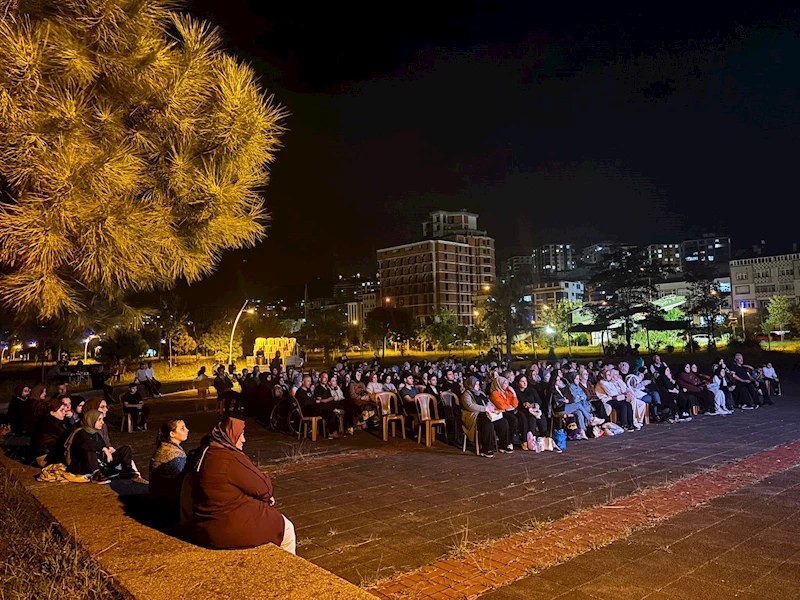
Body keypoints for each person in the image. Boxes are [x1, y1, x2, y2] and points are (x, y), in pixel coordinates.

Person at [185, 417, 296, 553]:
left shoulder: (205, 452)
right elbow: (263, 486)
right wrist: (267, 498)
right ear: (230, 436)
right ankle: (287, 569)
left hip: (205, 525)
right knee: (287, 528)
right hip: (227, 527)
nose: (244, 439)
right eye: (240, 435)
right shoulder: (230, 458)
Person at [65, 409, 144, 483]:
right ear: (91, 420)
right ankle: (96, 474)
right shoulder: (81, 433)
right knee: (89, 449)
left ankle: (127, 470)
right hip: (84, 465)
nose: (102, 422)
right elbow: (89, 444)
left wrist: (107, 451)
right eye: (99, 420)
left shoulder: (95, 433)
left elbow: (102, 445)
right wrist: (104, 449)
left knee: (125, 449)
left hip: (101, 462)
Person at [461, 376, 509, 458]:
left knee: (503, 422)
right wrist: (484, 409)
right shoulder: (466, 394)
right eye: (475, 384)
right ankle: (487, 449)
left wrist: (493, 408)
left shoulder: (481, 393)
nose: (477, 386)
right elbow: (470, 406)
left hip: (488, 414)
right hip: (476, 415)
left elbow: (488, 402)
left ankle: (504, 445)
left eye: (478, 384)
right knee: (487, 424)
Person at [150, 419, 189, 508]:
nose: (187, 430)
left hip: (159, 496)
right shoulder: (173, 453)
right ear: (172, 434)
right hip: (167, 501)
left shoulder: (165, 447)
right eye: (182, 428)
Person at [32, 396, 72, 467]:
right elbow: (67, 436)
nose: (64, 412)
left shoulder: (56, 420)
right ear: (52, 412)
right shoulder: (50, 423)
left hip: (51, 453)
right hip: (45, 457)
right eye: (61, 410)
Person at [514, 375, 548, 451]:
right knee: (531, 418)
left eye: (525, 381)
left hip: (533, 409)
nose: (524, 383)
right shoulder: (516, 391)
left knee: (541, 416)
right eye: (522, 381)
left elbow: (539, 401)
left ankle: (543, 436)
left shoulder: (531, 390)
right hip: (522, 410)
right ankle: (532, 438)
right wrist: (524, 404)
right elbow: (516, 403)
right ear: (518, 382)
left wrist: (535, 405)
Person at [489, 376, 518, 453]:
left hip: (508, 411)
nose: (506, 385)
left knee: (517, 419)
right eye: (504, 384)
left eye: (506, 383)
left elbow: (515, 405)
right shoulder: (495, 394)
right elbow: (501, 406)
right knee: (512, 420)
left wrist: (514, 393)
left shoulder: (507, 392)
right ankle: (506, 443)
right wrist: (509, 406)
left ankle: (509, 441)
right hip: (500, 412)